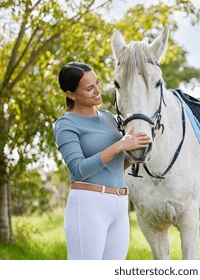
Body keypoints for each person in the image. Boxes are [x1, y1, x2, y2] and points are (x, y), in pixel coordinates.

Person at [53, 62, 151, 260]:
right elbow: (79, 169)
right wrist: (120, 146)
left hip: (120, 203)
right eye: (89, 88)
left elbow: (115, 165)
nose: (97, 90)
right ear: (71, 94)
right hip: (89, 204)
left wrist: (135, 152)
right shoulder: (66, 124)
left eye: (97, 83)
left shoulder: (108, 117)